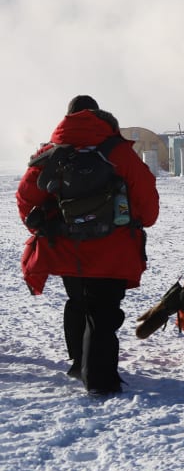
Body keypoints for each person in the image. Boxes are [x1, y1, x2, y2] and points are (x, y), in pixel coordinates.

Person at [16, 95, 160, 395]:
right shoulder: (118, 152)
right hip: (112, 247)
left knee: (78, 301)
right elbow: (146, 201)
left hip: (67, 247)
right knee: (102, 310)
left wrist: (44, 223)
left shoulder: (52, 153)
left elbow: (26, 197)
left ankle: (78, 363)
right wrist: (138, 220)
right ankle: (100, 379)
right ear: (100, 116)